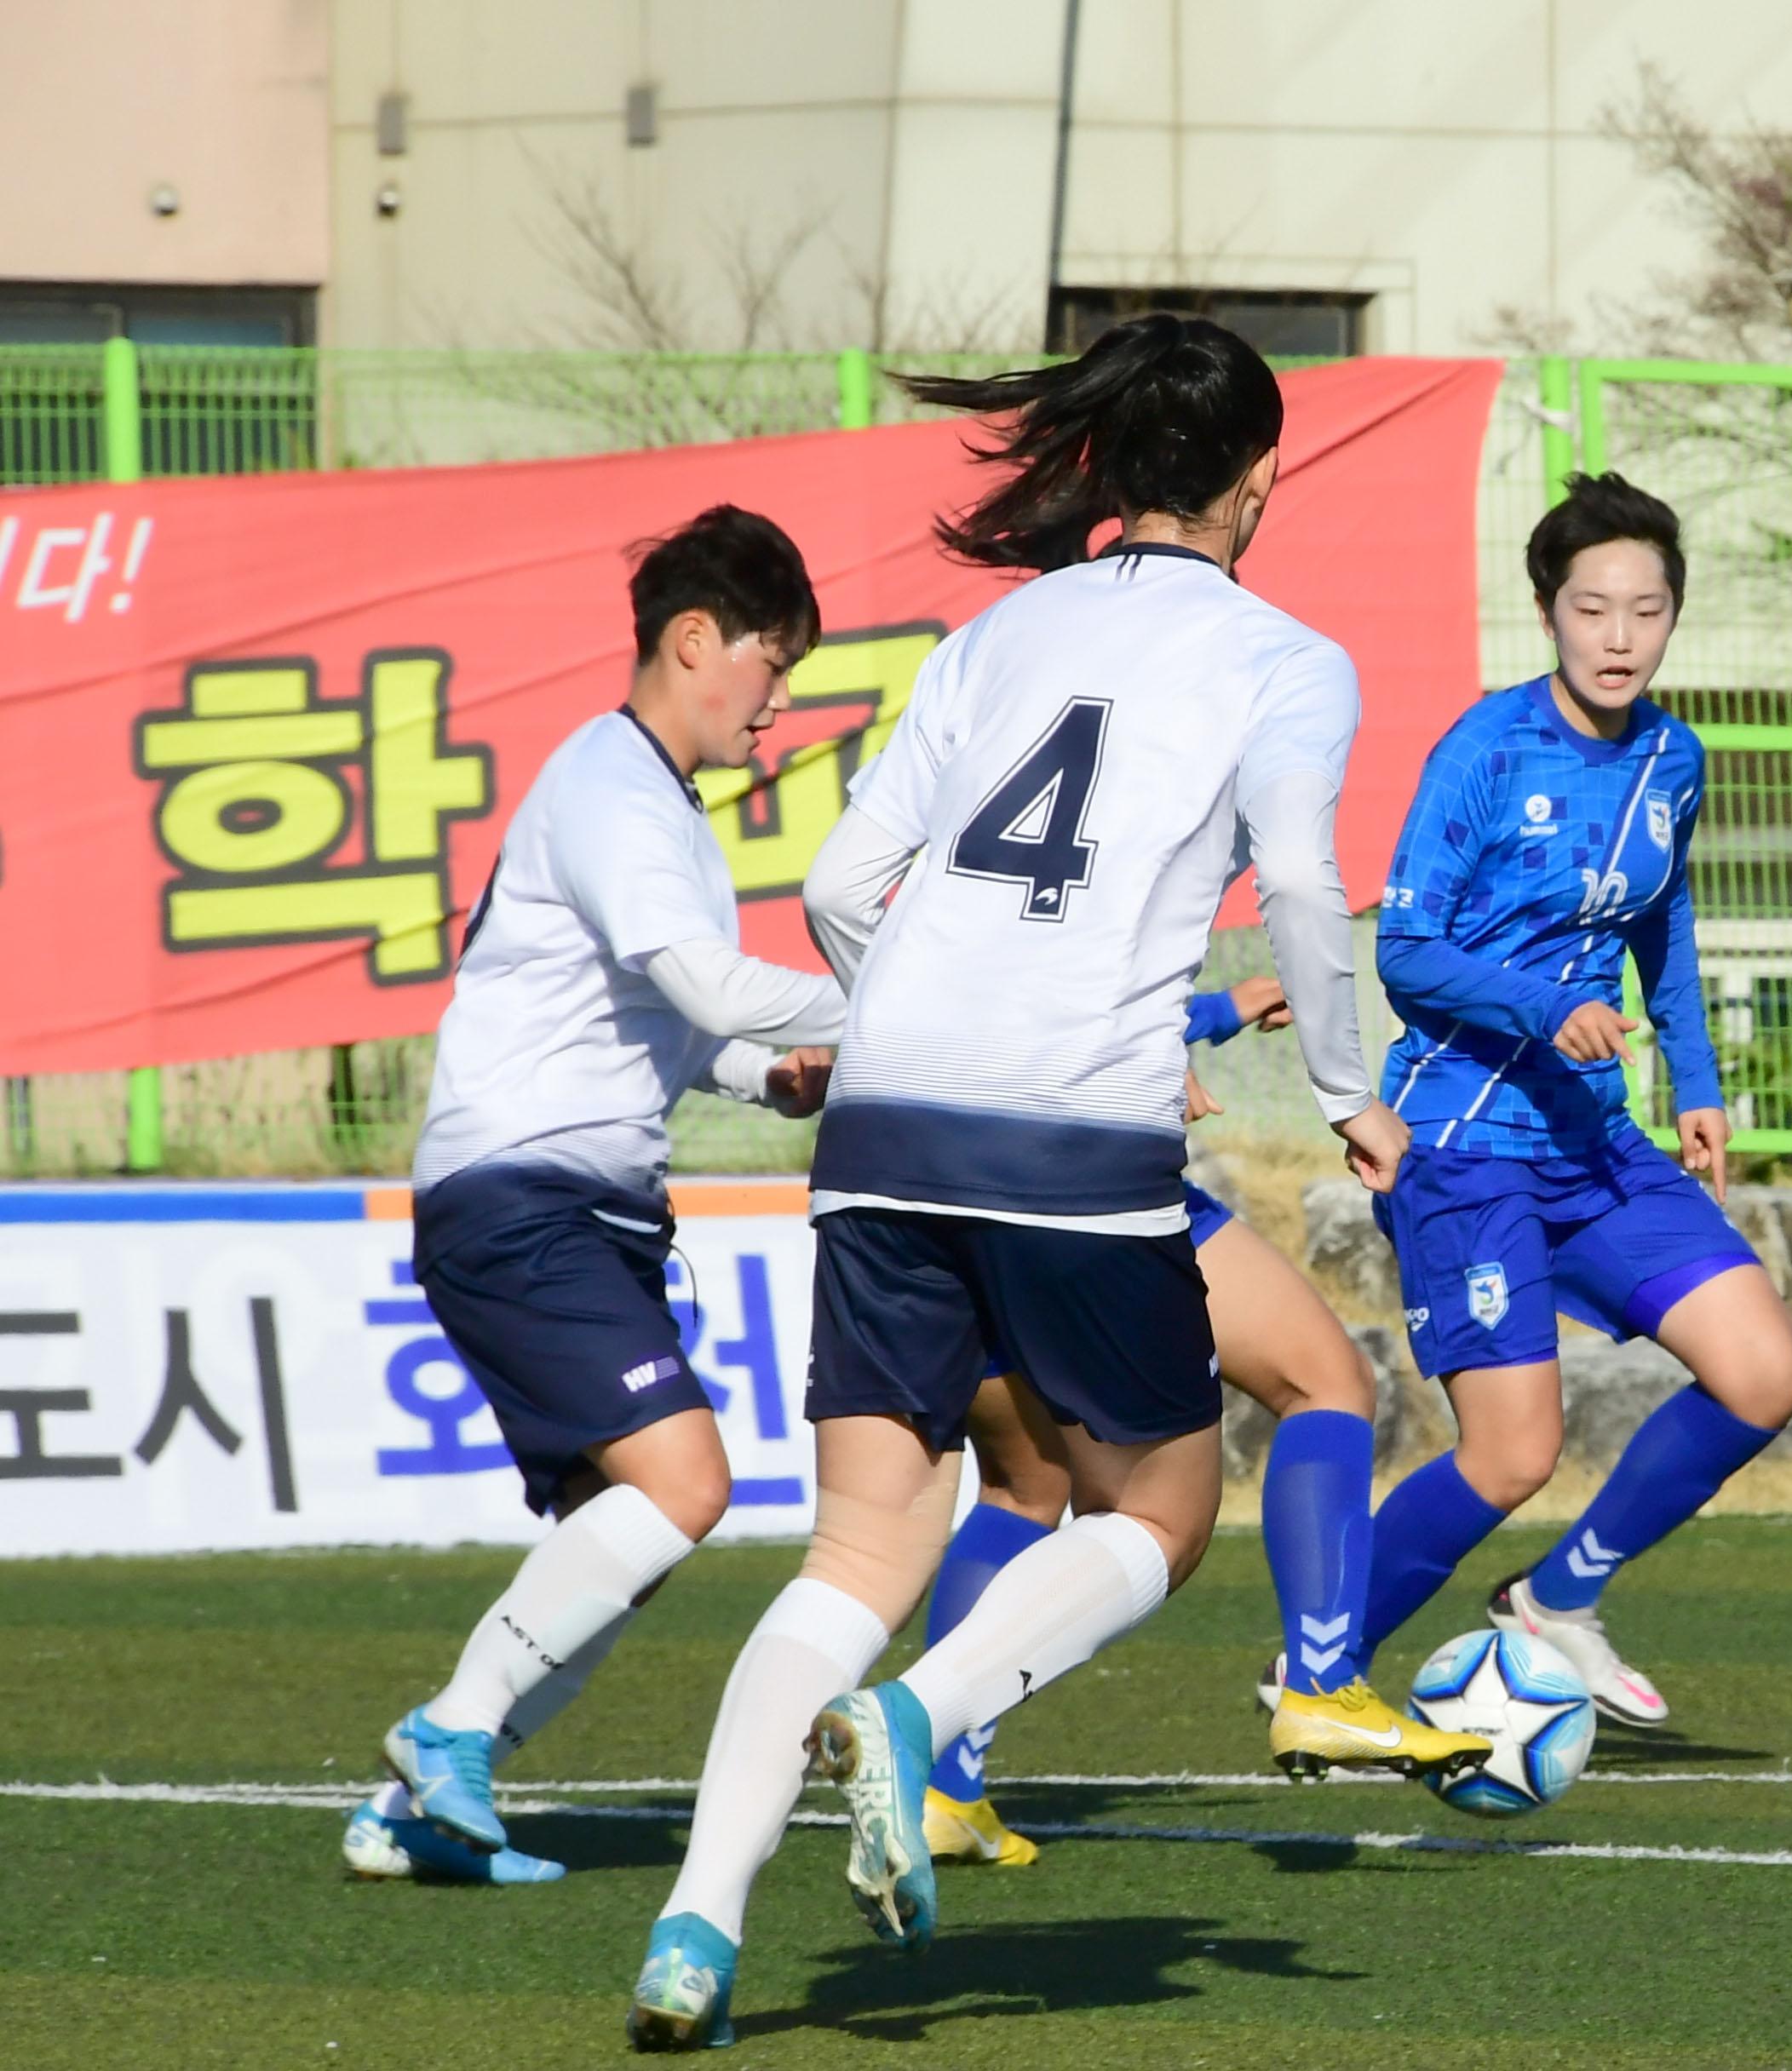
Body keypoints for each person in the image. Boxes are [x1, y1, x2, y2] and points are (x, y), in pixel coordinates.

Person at [626, 316, 1475, 2052]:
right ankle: (925, 1718)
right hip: (1069, 1130)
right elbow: (1310, 893)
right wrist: (1348, 1093)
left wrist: (931, 1014)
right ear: (1257, 483)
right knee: (1158, 1510)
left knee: (858, 1543)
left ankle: (696, 1933)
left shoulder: (1001, 629)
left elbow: (846, 876)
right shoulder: (1284, 656)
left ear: (1104, 466)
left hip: (888, 1117)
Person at [348, 507, 845, 1888]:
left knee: (617, 1536)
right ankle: (448, 1727)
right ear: (697, 641)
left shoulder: (645, 801)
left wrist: (764, 1077)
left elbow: (671, 1021)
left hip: (572, 1204)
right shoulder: (615, 789)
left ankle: (411, 1815)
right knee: (684, 1483)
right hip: (526, 1197)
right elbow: (699, 978)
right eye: (773, 660)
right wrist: (902, 1001)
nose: (781, 700)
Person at [1343, 471, 1792, 1734]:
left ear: (1672, 619)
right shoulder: (1484, 749)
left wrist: (1699, 1086)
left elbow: (1666, 922)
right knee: (1511, 1455)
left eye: (1646, 612)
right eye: (1593, 609)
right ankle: (1317, 1671)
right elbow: (1407, 950)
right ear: (1549, 612)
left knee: (1764, 1372)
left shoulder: (1675, 756)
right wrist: (1541, 1007)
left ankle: (1557, 1600)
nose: (1619, 637)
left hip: (1595, 1140)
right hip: (1462, 1139)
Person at [919, 978, 1394, 1872]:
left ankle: (944, 1784)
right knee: (1323, 1382)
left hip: (926, 1176)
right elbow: (1074, 955)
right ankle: (1325, 1680)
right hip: (1082, 1159)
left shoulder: (921, 868)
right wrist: (1168, 1036)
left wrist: (1221, 1009)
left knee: (1025, 1485)